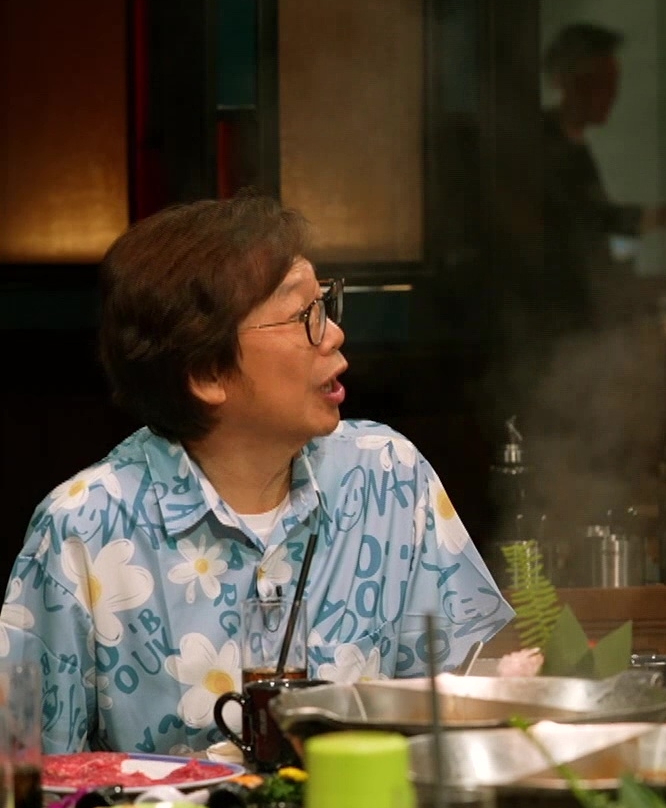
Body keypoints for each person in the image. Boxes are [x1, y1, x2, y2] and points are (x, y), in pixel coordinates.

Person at [0, 197, 512, 755]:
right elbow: (31, 772)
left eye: (325, 304)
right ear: (207, 373)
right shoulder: (83, 529)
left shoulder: (387, 476)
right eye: (303, 316)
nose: (334, 334)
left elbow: (460, 706)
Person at [540, 22, 666, 335]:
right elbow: (586, 220)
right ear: (569, 82)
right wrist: (660, 217)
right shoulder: (545, 143)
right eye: (602, 84)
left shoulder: (573, 146)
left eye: (613, 85)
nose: (612, 96)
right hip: (555, 316)